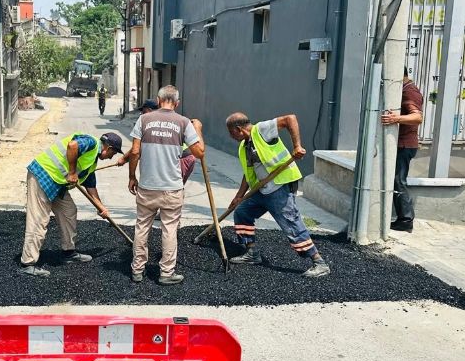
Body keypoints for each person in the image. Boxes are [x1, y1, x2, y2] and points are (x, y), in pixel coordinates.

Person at [225, 112, 330, 278]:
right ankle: (252, 253)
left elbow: (290, 119)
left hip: (279, 186)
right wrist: (239, 196)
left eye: (231, 133)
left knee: (291, 222)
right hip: (261, 190)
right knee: (242, 212)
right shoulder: (244, 145)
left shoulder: (261, 131)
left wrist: (297, 146)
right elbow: (248, 173)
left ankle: (319, 262)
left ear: (238, 129)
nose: (232, 137)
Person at [126, 85, 204, 285]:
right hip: (172, 187)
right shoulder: (184, 122)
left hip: (147, 186)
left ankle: (137, 270)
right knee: (169, 229)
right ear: (177, 103)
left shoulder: (143, 119)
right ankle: (166, 273)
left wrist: (132, 176)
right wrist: (198, 131)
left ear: (158, 101)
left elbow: (135, 152)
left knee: (142, 227)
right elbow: (199, 153)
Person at [19, 132, 124, 277]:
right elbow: (72, 145)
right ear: (108, 147)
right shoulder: (91, 143)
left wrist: (101, 208)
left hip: (57, 183)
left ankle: (68, 252)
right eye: (113, 153)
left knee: (69, 211)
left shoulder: (91, 161)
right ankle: (28, 263)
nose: (112, 157)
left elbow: (91, 188)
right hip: (43, 175)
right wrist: (72, 172)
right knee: (38, 220)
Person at [380, 67, 424, 233]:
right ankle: (403, 218)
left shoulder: (409, 91)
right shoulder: (404, 90)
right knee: (396, 180)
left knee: (399, 181)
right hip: (402, 144)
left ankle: (406, 219)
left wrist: (395, 118)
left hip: (405, 144)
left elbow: (417, 117)